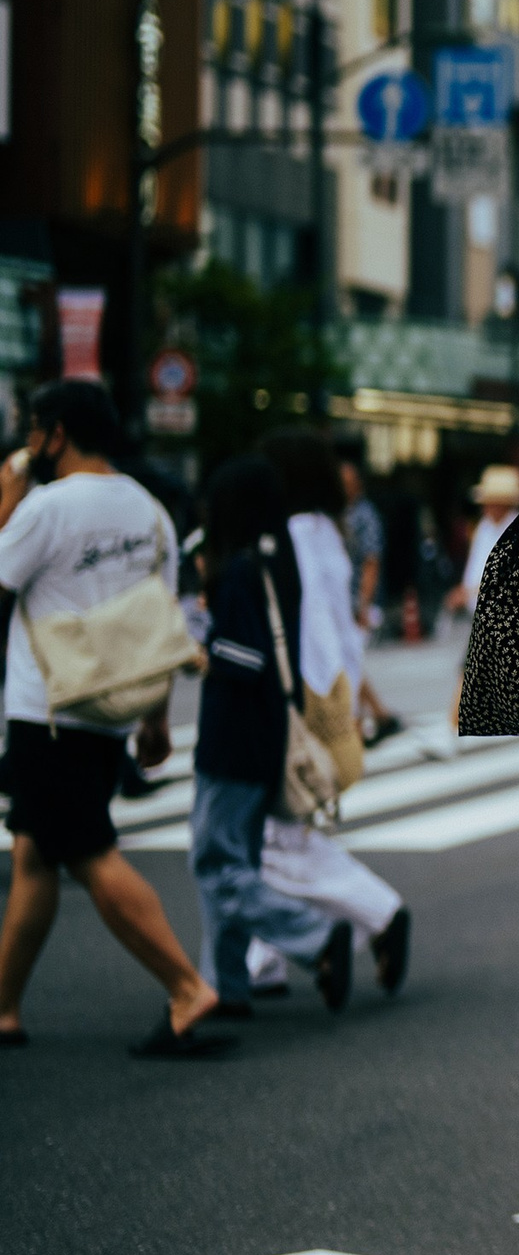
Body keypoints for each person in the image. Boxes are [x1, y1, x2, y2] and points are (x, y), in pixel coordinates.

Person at [0, 381, 226, 1058]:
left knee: (90, 855)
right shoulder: (151, 511)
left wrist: (8, 490)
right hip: (109, 711)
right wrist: (153, 717)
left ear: (57, 433)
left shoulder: (44, 507)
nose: (30, 443)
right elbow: (161, 620)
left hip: (49, 708)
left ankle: (187, 987)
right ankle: (4, 1008)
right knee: (37, 855)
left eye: (35, 430)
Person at [236, 430, 411, 1002]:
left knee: (272, 842)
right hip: (328, 694)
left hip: (299, 700)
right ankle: (263, 961)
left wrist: (296, 705)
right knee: (278, 834)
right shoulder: (326, 536)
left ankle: (378, 913)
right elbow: (341, 634)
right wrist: (353, 698)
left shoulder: (293, 538)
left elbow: (303, 632)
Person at [188, 454, 354, 1016]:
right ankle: (226, 983)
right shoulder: (275, 561)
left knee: (217, 864)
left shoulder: (238, 572)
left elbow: (242, 658)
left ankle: (312, 935)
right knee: (238, 863)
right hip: (264, 735)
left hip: (232, 738)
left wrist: (197, 650)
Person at [337, 445, 401, 742]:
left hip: (358, 602)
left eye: (347, 482)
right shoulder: (342, 513)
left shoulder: (365, 516)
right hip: (343, 602)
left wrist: (363, 605)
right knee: (349, 660)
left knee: (349, 661)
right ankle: (379, 715)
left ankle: (362, 723)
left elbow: (371, 562)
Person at [448, 463, 519, 616]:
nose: (485, 507)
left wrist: (468, 593)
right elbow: (475, 568)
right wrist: (464, 590)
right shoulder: (484, 527)